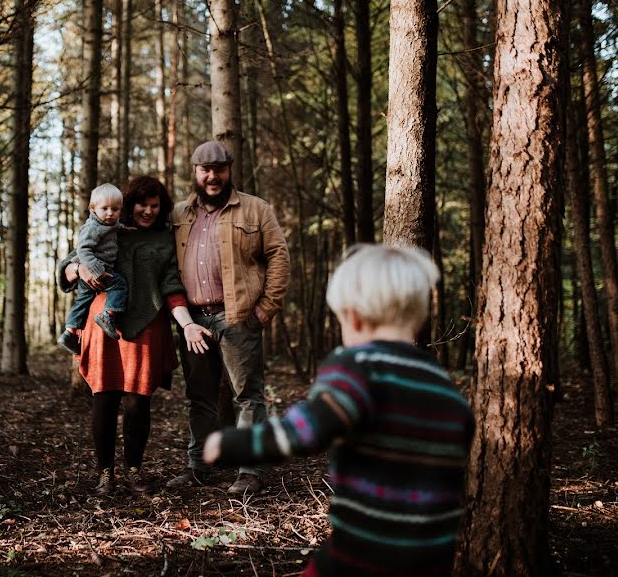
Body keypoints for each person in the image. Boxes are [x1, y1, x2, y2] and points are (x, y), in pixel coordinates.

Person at [203, 244, 475, 576]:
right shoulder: (444, 387)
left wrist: (233, 445)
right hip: (433, 559)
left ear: (355, 317)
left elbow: (307, 430)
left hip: (363, 552)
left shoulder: (356, 367)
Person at [59, 176, 211, 495]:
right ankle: (105, 474)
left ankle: (133, 471)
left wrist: (186, 323)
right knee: (104, 397)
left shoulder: (164, 239)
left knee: (138, 402)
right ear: (129, 205)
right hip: (103, 325)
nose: (148, 211)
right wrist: (76, 270)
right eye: (142, 204)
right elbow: (72, 261)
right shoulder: (108, 225)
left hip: (146, 328)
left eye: (155, 206)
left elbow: (171, 286)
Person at [165, 141, 290, 495]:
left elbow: (279, 257)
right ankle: (199, 467)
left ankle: (249, 470)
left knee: (248, 396)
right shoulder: (177, 214)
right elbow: (141, 243)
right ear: (194, 172)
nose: (212, 176)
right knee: (199, 397)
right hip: (193, 323)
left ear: (229, 170)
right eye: (205, 169)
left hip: (237, 316)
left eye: (219, 168)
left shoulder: (255, 209)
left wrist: (266, 307)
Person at [58, 183, 129, 354]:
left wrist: (124, 228)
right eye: (105, 208)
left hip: (94, 268)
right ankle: (108, 315)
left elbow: (113, 226)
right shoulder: (92, 227)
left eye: (115, 209)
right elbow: (83, 250)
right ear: (92, 208)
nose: (110, 213)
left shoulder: (107, 222)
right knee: (119, 284)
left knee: (83, 300)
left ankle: (70, 332)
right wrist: (95, 270)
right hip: (97, 266)